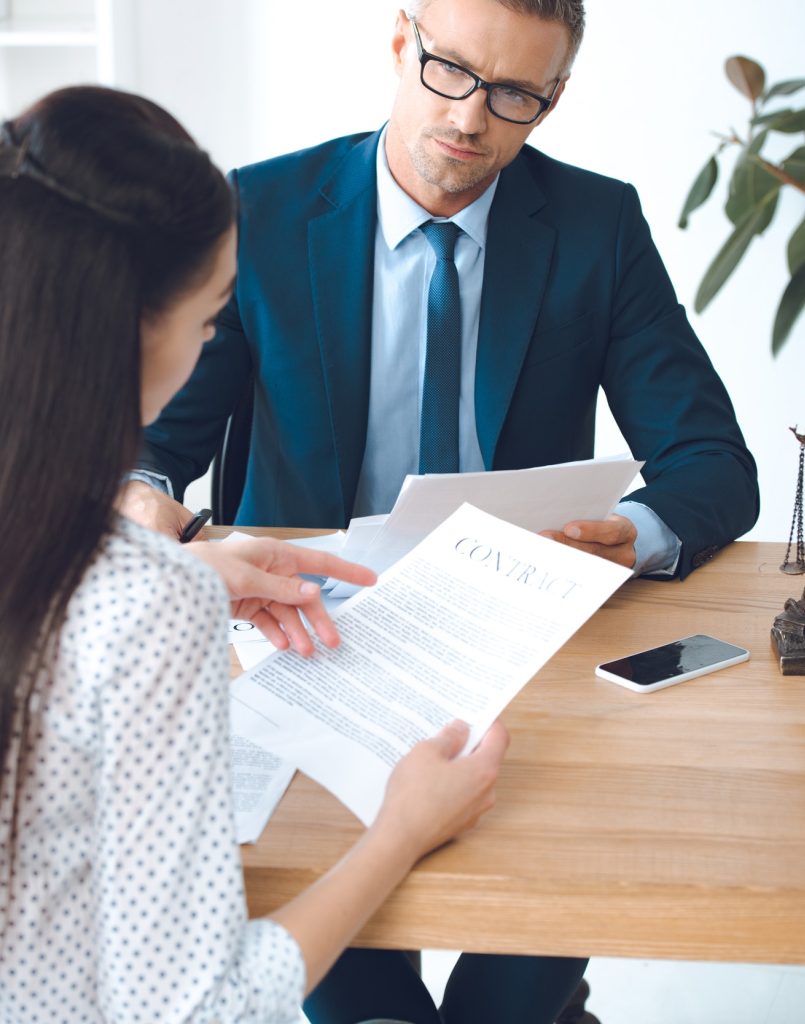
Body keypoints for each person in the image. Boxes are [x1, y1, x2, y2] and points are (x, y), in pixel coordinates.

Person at [123, 0, 759, 1020]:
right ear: (398, 45)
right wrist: (146, 502)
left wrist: (630, 535)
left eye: (512, 93)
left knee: (510, 994)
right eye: (449, 70)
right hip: (308, 641)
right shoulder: (263, 212)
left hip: (516, 658)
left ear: (552, 99)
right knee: (366, 998)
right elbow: (157, 444)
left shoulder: (595, 227)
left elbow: (711, 460)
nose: (469, 117)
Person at [0, 85, 509, 1024]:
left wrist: (180, 571)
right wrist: (401, 831)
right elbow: (205, 1008)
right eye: (207, 322)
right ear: (129, 332)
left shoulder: (98, 575)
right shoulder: (142, 605)